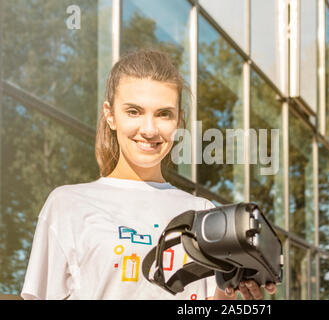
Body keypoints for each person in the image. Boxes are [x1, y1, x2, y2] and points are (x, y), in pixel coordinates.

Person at [21, 48, 276, 300]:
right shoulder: (67, 204)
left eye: (164, 114)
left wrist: (231, 297)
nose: (150, 129)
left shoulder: (203, 214)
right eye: (134, 111)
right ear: (110, 116)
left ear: (178, 121)